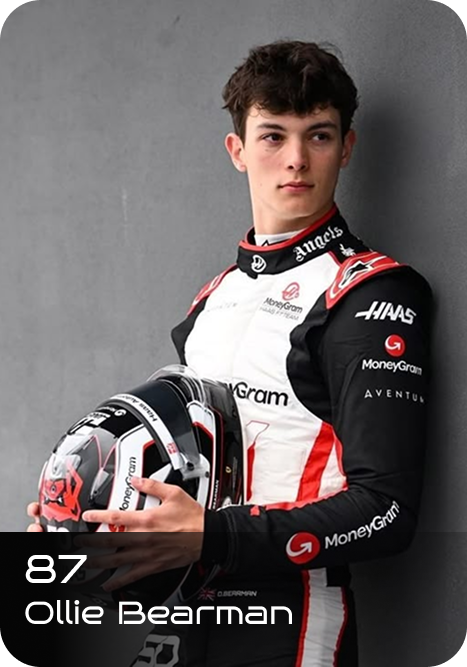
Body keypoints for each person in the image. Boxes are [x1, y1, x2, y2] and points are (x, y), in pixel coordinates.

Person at [27, 40, 433, 666]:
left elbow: (387, 511)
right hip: (180, 615)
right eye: (272, 136)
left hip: (291, 618)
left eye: (319, 136)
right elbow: (186, 470)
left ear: (347, 148)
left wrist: (211, 537)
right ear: (237, 151)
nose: (296, 159)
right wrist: (80, 521)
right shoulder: (215, 296)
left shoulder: (370, 293)